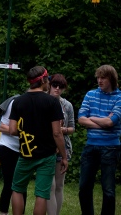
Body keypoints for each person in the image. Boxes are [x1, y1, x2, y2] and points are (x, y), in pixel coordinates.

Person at [9, 66, 67, 215]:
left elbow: (12, 130)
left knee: (17, 189)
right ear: (42, 80)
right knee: (41, 193)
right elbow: (57, 133)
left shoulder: (18, 101)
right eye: (47, 79)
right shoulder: (52, 102)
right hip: (46, 156)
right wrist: (64, 156)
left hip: (25, 154)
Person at [78, 65, 121, 215]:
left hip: (110, 147)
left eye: (103, 77)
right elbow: (81, 119)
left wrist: (92, 118)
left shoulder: (119, 97)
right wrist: (103, 120)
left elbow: (111, 123)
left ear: (112, 79)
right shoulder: (90, 95)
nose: (99, 80)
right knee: (84, 187)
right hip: (91, 146)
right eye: (98, 77)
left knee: (108, 189)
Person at [46, 74, 74, 215]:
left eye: (61, 87)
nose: (57, 89)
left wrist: (63, 130)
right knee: (49, 186)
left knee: (59, 185)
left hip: (63, 147)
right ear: (49, 85)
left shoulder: (67, 105)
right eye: (55, 85)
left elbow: (72, 128)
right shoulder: (43, 100)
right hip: (46, 147)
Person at [0, 95, 26, 215]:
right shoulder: (15, 102)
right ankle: (3, 212)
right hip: (7, 147)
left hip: (24, 150)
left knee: (22, 185)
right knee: (9, 183)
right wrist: (23, 132)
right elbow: (2, 127)